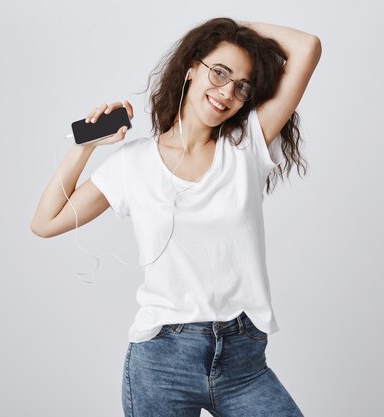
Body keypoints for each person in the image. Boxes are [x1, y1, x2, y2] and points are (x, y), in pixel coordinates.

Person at [31, 17, 321, 417]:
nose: (227, 92)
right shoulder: (132, 164)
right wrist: (86, 146)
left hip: (243, 362)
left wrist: (234, 27)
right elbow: (45, 222)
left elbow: (308, 47)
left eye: (241, 86)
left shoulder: (247, 146)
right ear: (190, 67)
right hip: (162, 360)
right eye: (219, 73)